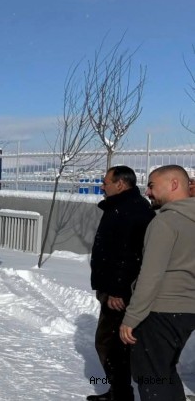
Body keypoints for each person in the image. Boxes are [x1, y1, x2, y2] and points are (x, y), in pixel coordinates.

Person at [119, 165, 195, 401]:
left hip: (160, 310)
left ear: (174, 184)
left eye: (152, 185)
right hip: (186, 312)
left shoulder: (165, 222)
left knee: (152, 376)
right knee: (165, 372)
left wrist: (131, 318)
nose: (147, 192)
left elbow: (151, 275)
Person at [88, 166, 155, 401]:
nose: (102, 186)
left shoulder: (131, 210)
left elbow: (130, 254)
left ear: (120, 184)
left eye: (105, 182)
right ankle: (119, 391)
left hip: (120, 292)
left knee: (109, 344)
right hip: (113, 288)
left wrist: (117, 290)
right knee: (114, 345)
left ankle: (121, 394)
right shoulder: (121, 206)